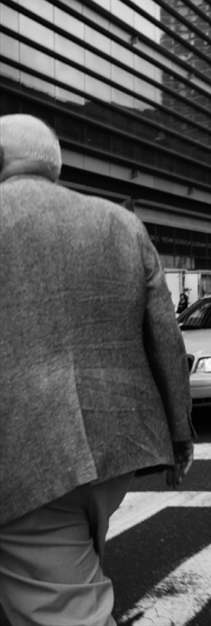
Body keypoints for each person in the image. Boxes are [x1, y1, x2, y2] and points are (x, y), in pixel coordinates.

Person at [0, 114, 196, 625]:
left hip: (26, 457)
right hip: (114, 450)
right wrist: (179, 438)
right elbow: (166, 339)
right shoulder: (120, 223)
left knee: (63, 607)